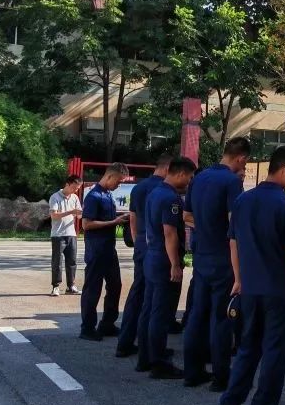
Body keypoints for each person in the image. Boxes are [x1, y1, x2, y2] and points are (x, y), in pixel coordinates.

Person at [216, 145, 285, 405]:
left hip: (250, 289)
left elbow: (233, 243)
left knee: (247, 349)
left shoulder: (243, 201)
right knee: (274, 353)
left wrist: (239, 278)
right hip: (278, 291)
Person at [182, 137, 251, 390]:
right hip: (223, 258)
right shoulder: (232, 182)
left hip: (201, 256)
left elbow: (187, 215)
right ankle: (221, 376)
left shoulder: (199, 177)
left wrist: (206, 229)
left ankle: (192, 372)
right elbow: (236, 226)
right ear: (241, 157)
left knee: (197, 314)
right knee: (222, 317)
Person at [136, 156, 197, 378]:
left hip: (152, 257)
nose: (189, 182)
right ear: (180, 174)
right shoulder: (170, 198)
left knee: (149, 310)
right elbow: (170, 233)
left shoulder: (154, 193)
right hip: (164, 260)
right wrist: (175, 264)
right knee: (161, 314)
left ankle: (145, 358)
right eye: (189, 178)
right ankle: (159, 363)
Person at [116, 155, 171, 358]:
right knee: (155, 300)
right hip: (157, 246)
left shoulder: (138, 188)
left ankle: (125, 342)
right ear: (167, 169)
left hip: (141, 243)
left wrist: (139, 239)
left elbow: (132, 218)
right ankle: (152, 349)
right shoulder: (164, 189)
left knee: (138, 293)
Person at [78, 163, 130, 341]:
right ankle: (87, 328)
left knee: (115, 285)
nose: (119, 185)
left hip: (109, 249)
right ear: (109, 176)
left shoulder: (108, 195)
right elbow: (87, 224)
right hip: (96, 250)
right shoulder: (94, 196)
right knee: (93, 288)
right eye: (119, 181)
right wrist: (115, 222)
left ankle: (107, 324)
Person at [48, 175, 83, 297]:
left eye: (78, 188)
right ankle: (56, 286)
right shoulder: (55, 197)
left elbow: (79, 215)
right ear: (67, 184)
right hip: (58, 234)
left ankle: (71, 286)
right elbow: (54, 216)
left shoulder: (75, 198)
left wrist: (81, 214)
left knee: (72, 261)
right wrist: (72, 212)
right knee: (57, 261)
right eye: (74, 187)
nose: (76, 190)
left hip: (71, 234)